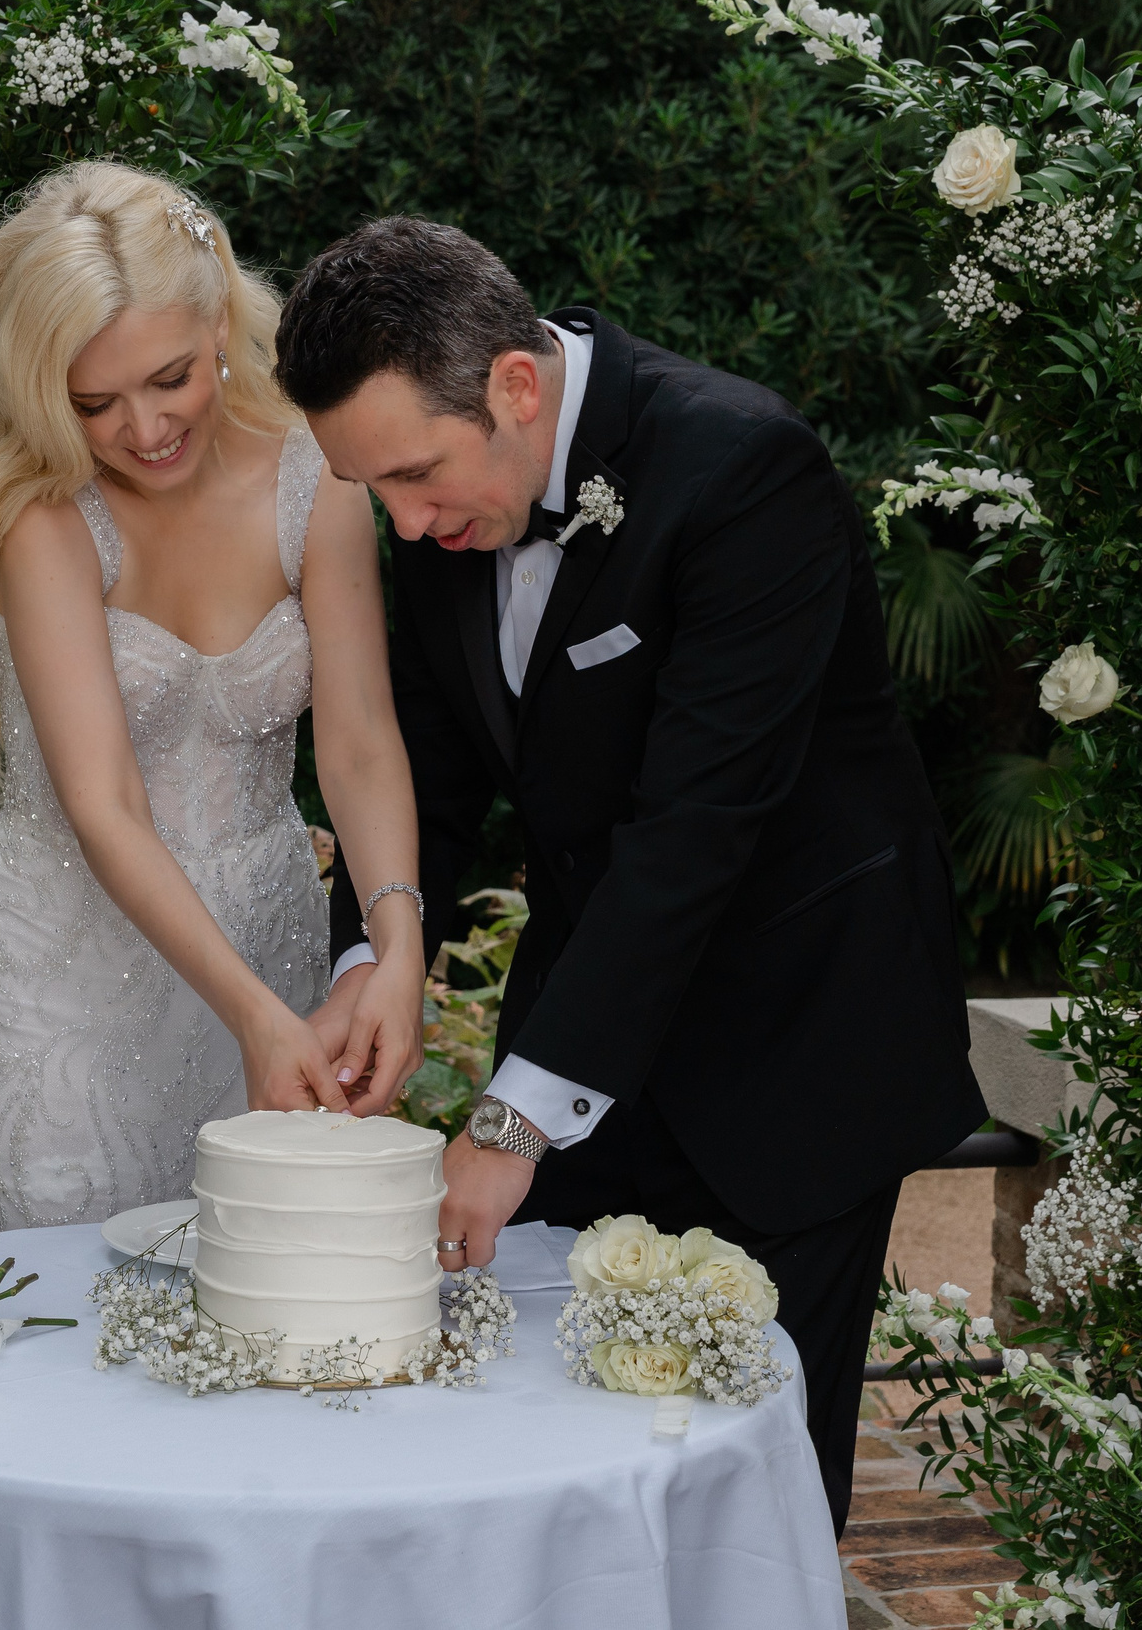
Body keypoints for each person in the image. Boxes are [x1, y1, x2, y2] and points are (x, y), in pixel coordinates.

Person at [278, 217, 986, 1530]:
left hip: (798, 1047)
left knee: (747, 1482)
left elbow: (695, 832)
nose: (410, 522)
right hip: (594, 1029)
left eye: (422, 478)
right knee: (547, 1454)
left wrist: (506, 1118)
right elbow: (424, 779)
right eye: (375, 491)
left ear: (516, 386)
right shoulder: (439, 510)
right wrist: (372, 959)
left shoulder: (744, 470)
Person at [0, 163, 426, 1232]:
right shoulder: (41, 510)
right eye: (92, 401)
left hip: (270, 941)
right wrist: (252, 1016)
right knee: (67, 1320)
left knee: (271, 1296)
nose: (143, 428)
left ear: (217, 325)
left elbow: (360, 746)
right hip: (68, 989)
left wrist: (398, 947)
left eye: (168, 379)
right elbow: (104, 804)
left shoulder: (311, 474)